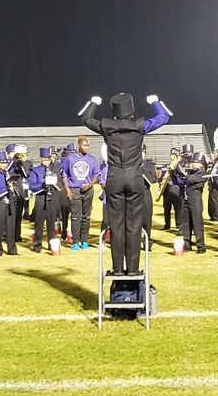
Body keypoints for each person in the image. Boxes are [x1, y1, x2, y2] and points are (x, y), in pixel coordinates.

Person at [79, 93, 172, 275]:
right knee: (134, 224)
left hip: (114, 177)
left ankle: (117, 269)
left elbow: (86, 119)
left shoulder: (107, 126)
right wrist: (155, 102)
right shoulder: (139, 126)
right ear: (132, 111)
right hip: (135, 177)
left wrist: (94, 103)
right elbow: (163, 117)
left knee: (116, 225)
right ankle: (133, 269)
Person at [62, 138, 100, 250]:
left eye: (88, 146)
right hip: (74, 190)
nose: (86, 148)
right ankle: (75, 241)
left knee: (86, 217)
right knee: (75, 217)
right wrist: (67, 190)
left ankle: (84, 240)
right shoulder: (70, 159)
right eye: (84, 145)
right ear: (79, 145)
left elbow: (96, 176)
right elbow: (64, 175)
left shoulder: (92, 159)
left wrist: (89, 185)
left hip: (88, 191)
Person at [28, 147, 61, 252]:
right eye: (44, 159)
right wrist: (42, 185)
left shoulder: (55, 169)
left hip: (52, 198)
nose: (46, 161)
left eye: (48, 159)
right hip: (41, 197)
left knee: (52, 223)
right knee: (39, 223)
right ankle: (37, 244)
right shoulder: (35, 170)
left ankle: (52, 244)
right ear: (41, 159)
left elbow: (60, 182)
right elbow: (32, 185)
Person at [175, 152, 209, 254]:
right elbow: (180, 182)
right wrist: (175, 172)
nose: (193, 164)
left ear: (201, 164)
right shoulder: (190, 173)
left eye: (196, 162)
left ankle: (200, 246)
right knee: (186, 224)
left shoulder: (203, 174)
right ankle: (187, 245)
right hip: (186, 200)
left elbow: (192, 181)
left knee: (197, 224)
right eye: (192, 162)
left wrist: (184, 175)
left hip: (196, 202)